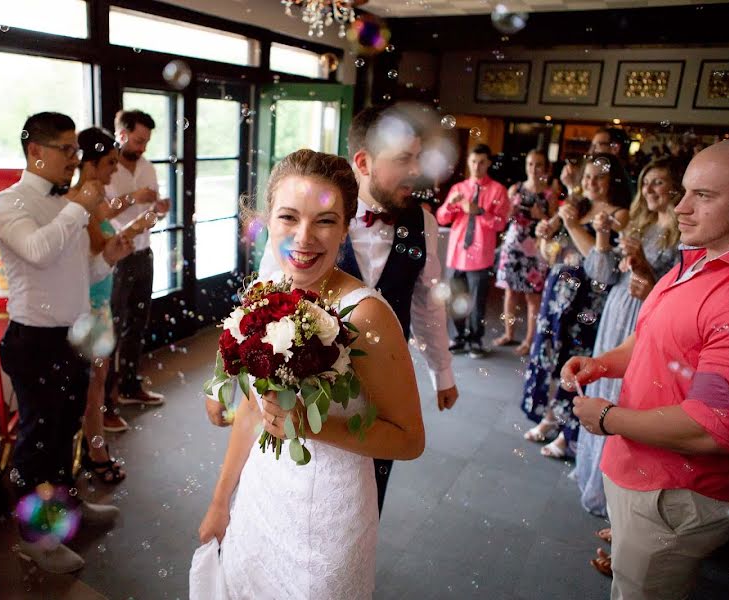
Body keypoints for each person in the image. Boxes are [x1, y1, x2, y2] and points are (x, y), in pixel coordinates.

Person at [194, 149, 425, 599]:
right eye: (288, 217)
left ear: (345, 227)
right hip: (261, 497)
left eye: (324, 220)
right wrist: (222, 502)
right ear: (267, 221)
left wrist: (310, 427)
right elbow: (251, 410)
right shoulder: (266, 292)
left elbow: (409, 439)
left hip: (327, 518)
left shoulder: (367, 316)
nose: (304, 238)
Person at [213, 105, 459, 514]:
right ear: (364, 161)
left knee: (366, 487)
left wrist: (443, 371)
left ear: (343, 226)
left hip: (381, 383)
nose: (416, 170)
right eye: (404, 159)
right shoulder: (296, 242)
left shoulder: (423, 225)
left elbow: (427, 305)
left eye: (419, 157)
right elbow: (259, 310)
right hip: (297, 409)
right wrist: (227, 369)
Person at [562, 138, 729, 600]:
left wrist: (607, 419)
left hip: (673, 491)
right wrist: (601, 363)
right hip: (640, 470)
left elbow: (711, 428)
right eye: (683, 191)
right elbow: (649, 337)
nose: (681, 208)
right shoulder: (696, 260)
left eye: (703, 196)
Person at [0, 112, 131, 573]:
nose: (76, 158)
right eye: (67, 150)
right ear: (36, 152)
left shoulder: (67, 205)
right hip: (33, 341)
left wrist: (109, 256)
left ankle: (68, 508)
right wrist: (79, 206)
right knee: (38, 442)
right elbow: (37, 251)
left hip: (73, 335)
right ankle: (36, 538)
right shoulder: (9, 203)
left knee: (66, 431)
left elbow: (80, 272)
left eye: (76, 149)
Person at [574, 156, 682, 522]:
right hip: (618, 311)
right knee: (605, 386)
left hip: (647, 319)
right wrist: (603, 238)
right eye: (646, 182)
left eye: (658, 182)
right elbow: (601, 275)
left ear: (676, 188)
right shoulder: (642, 224)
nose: (649, 189)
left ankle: (619, 492)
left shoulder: (684, 232)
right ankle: (595, 476)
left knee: (631, 396)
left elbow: (674, 297)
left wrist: (646, 272)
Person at [521, 153, 630, 459]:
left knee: (575, 362)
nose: (591, 182)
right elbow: (551, 253)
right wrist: (546, 237)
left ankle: (570, 432)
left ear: (613, 181)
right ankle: (550, 416)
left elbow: (599, 265)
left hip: (588, 299)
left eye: (599, 176)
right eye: (587, 177)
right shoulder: (577, 207)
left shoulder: (619, 215)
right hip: (559, 294)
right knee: (553, 358)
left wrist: (571, 225)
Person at [74, 126, 136, 484]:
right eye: (110, 162)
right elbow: (97, 250)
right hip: (84, 305)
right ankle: (95, 452)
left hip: (100, 301)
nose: (115, 170)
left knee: (97, 382)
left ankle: (94, 447)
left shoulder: (93, 200)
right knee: (91, 385)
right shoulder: (79, 202)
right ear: (93, 163)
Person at [105, 109, 171, 414]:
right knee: (113, 327)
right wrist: (134, 197)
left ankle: (130, 386)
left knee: (137, 323)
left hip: (144, 251)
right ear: (122, 134)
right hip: (114, 256)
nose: (143, 147)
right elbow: (104, 211)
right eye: (138, 139)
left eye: (146, 141)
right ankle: (106, 399)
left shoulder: (147, 167)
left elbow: (152, 212)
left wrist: (159, 209)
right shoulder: (105, 167)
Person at [435, 143, 511, 358]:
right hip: (457, 253)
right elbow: (442, 218)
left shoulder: (498, 190)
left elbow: (500, 224)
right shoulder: (459, 189)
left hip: (480, 255)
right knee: (455, 299)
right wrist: (450, 205)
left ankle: (475, 340)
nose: (477, 166)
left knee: (477, 302)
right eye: (473, 162)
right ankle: (458, 338)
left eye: (482, 162)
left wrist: (479, 212)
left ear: (489, 163)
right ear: (468, 162)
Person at [493, 149, 557, 356]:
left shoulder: (549, 194)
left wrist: (542, 216)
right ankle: (508, 334)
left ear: (545, 168)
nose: (533, 168)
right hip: (514, 245)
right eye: (530, 164)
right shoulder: (516, 189)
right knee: (510, 292)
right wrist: (509, 213)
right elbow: (504, 219)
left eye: (538, 164)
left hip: (536, 249)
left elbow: (556, 226)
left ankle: (529, 340)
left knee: (533, 297)